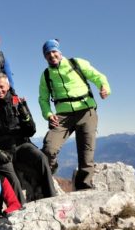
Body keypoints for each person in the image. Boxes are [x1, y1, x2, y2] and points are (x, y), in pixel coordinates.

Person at [38, 39, 111, 190]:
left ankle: (84, 186)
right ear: (45, 57)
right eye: (48, 54)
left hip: (86, 111)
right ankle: (48, 175)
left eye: (54, 52)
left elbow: (98, 76)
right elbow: (43, 99)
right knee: (49, 148)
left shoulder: (76, 63)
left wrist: (104, 88)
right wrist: (48, 114)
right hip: (63, 116)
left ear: (60, 52)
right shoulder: (46, 75)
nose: (51, 55)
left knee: (86, 152)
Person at [0, 73, 54, 204]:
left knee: (41, 158)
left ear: (7, 86)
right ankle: (21, 209)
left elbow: (31, 131)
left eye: (1, 86)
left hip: (21, 145)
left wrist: (26, 117)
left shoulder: (17, 102)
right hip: (1, 150)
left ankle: (52, 198)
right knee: (11, 178)